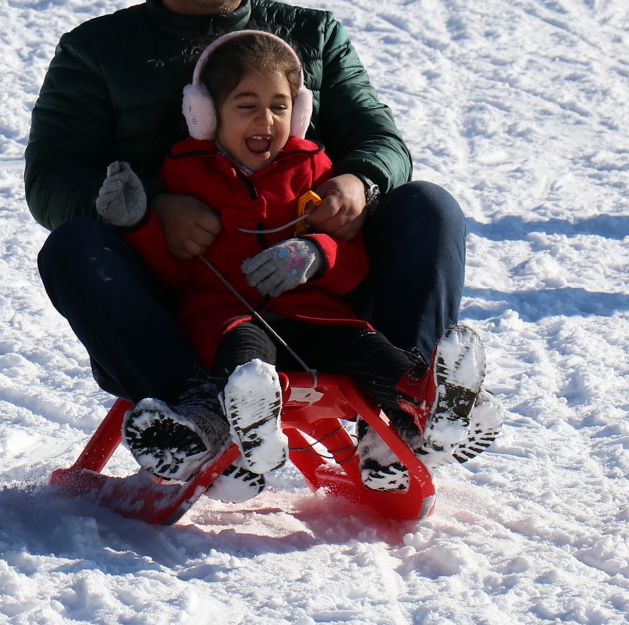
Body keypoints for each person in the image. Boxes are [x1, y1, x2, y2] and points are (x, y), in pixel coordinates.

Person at [27, 0, 498, 489]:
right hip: (180, 288)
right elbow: (51, 179)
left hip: (313, 279)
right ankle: (195, 410)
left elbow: (380, 141)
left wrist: (357, 184)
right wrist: (152, 211)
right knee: (71, 248)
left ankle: (404, 414)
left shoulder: (313, 36)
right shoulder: (97, 52)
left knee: (428, 207)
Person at [93, 30, 492, 496]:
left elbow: (356, 263)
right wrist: (139, 224)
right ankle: (245, 436)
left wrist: (319, 253)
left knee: (366, 349)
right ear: (204, 115)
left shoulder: (314, 169)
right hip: (228, 315)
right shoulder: (185, 174)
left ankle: (429, 405)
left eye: (280, 107)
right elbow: (172, 271)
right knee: (244, 359)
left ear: (299, 113)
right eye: (247, 106)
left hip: (314, 313)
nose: (266, 121)